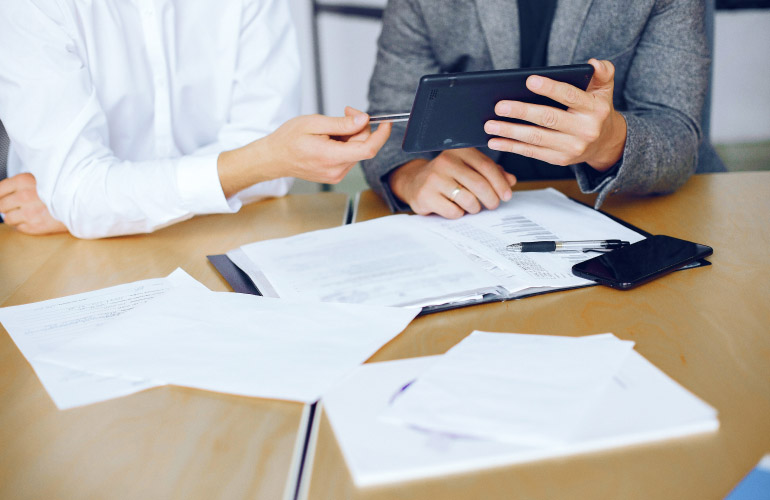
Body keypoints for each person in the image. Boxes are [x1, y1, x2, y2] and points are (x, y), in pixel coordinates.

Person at [0, 0, 390, 238]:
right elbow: (82, 195)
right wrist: (86, 201)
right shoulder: (34, 6)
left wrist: (100, 204)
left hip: (225, 234)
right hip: (59, 255)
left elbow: (271, 176)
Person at [362, 0, 710, 219]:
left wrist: (610, 141)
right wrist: (410, 176)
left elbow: (678, 132)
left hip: (625, 209)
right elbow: (387, 122)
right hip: (476, 217)